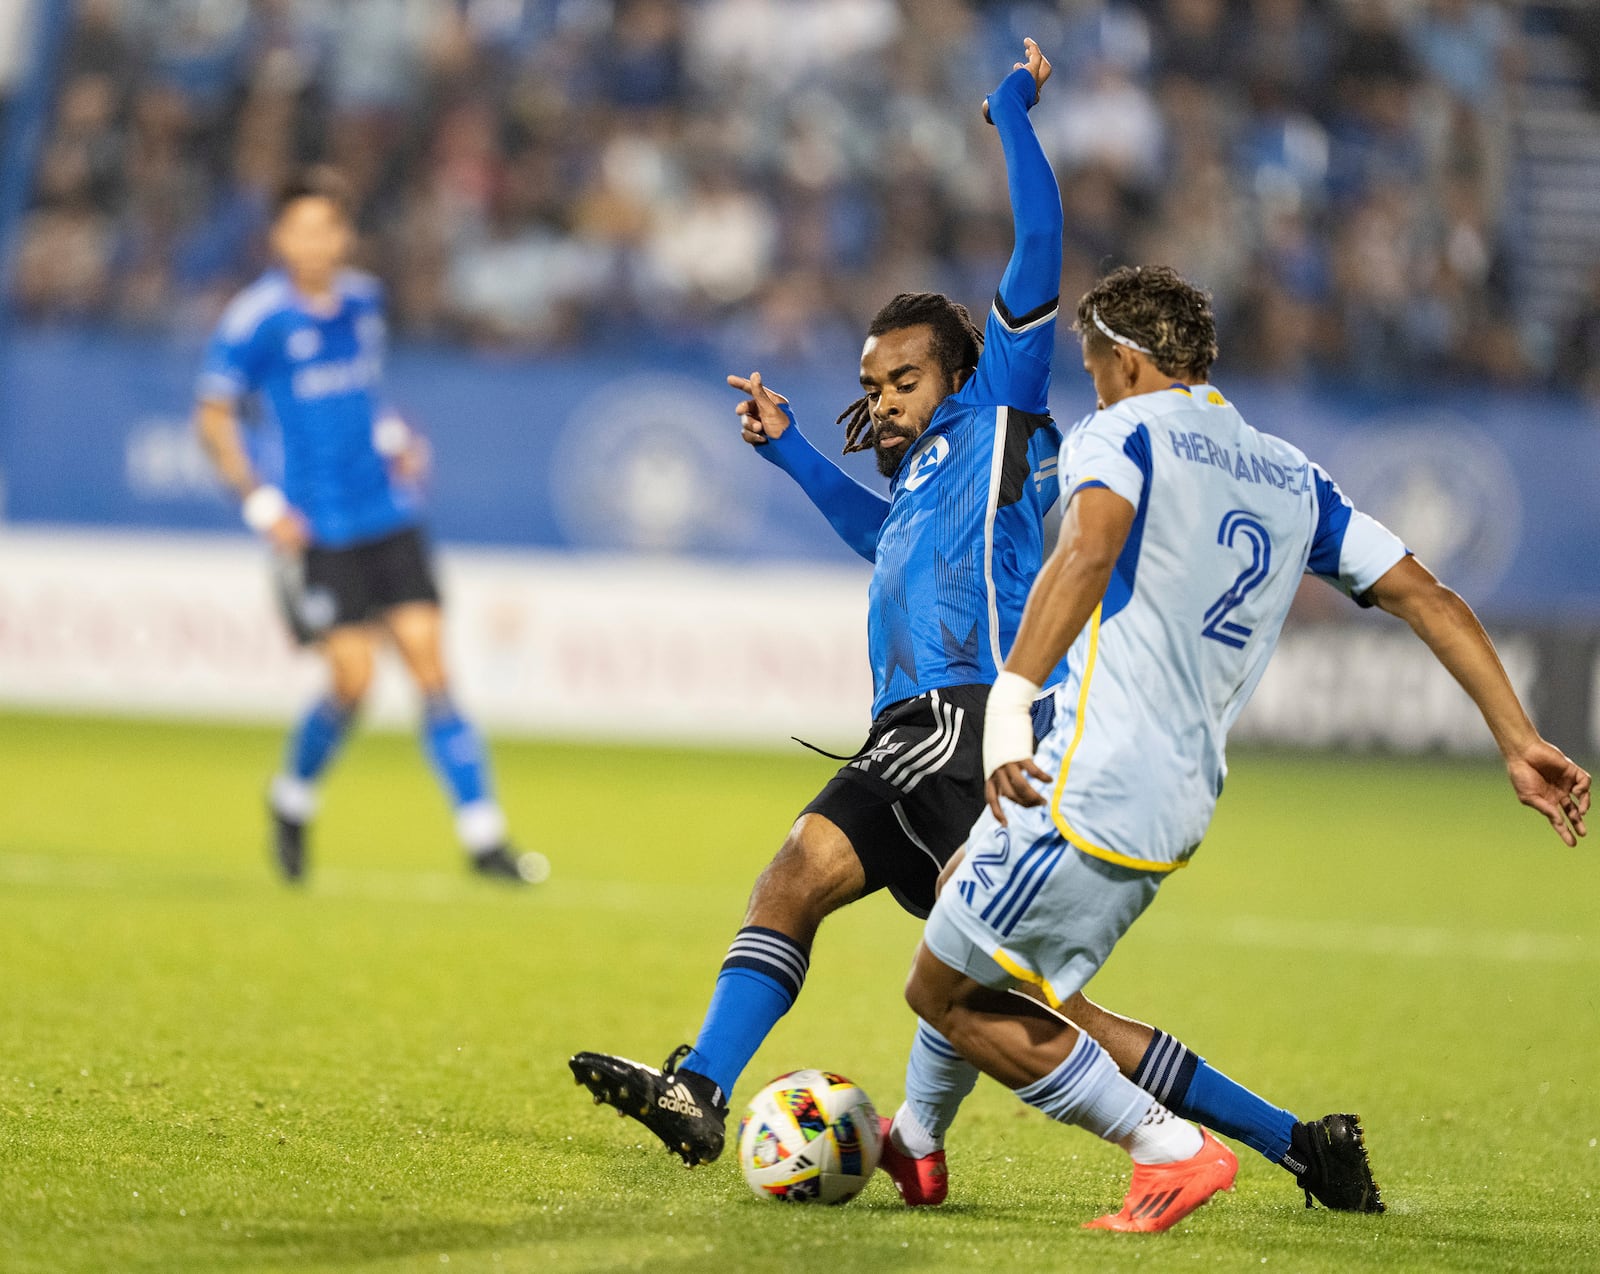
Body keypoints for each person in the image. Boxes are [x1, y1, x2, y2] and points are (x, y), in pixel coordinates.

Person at [570, 44, 1382, 1217]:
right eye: (872, 381)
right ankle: (1301, 1140)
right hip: (934, 735)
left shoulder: (999, 416)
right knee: (1029, 1007)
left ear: (955, 370)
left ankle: (703, 1084)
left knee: (799, 872)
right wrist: (792, 447)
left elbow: (1037, 250)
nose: (883, 399)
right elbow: (877, 537)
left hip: (958, 722)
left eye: (899, 379)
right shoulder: (925, 479)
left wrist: (1008, 114)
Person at [904, 262, 1592, 1233]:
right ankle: (923, 1142)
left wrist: (1009, 699)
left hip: (1091, 777)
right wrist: (1517, 738)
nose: (1090, 381)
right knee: (985, 940)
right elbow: (1428, 596)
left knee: (947, 988)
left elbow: (1087, 547)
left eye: (1096, 361)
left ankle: (1169, 1150)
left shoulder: (1124, 429)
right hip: (1178, 792)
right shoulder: (1289, 472)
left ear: (1131, 360)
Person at [195, 166, 545, 886]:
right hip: (319, 528)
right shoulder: (257, 319)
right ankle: (291, 799)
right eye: (301, 229)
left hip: (388, 512)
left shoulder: (362, 303)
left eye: (328, 228)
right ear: (279, 238)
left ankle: (484, 839)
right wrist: (260, 503)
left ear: (345, 237)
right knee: (352, 682)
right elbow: (213, 417)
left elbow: (364, 396)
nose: (315, 242)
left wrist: (394, 439)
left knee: (432, 670)